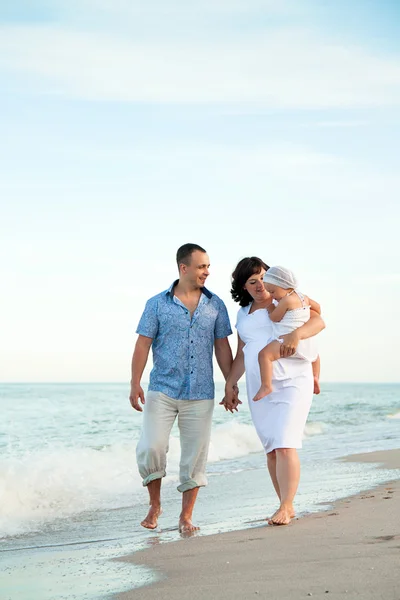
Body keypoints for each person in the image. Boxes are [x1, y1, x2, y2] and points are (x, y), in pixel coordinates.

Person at [129, 243, 234, 533]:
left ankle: (186, 517)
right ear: (183, 268)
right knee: (151, 446)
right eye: (202, 267)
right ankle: (155, 504)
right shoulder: (157, 304)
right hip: (162, 389)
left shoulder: (216, 305)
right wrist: (135, 381)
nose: (207, 272)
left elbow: (222, 347)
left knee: (195, 456)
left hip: (200, 393)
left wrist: (230, 383)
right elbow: (142, 344)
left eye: (208, 266)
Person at [222, 257, 325, 525]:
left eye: (263, 278)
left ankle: (287, 505)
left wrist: (296, 335)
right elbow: (242, 353)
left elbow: (319, 321)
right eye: (252, 281)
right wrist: (230, 383)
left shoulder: (286, 300)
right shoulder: (242, 314)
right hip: (260, 387)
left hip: (292, 380)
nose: (260, 285)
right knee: (271, 448)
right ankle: (284, 504)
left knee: (285, 441)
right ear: (243, 287)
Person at [253, 265, 321, 401]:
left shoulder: (286, 301)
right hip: (306, 342)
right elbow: (318, 308)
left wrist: (271, 308)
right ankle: (314, 377)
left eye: (272, 292)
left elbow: (275, 318)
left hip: (286, 341)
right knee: (315, 356)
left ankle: (266, 386)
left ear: (283, 285)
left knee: (264, 355)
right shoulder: (303, 297)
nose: (271, 295)